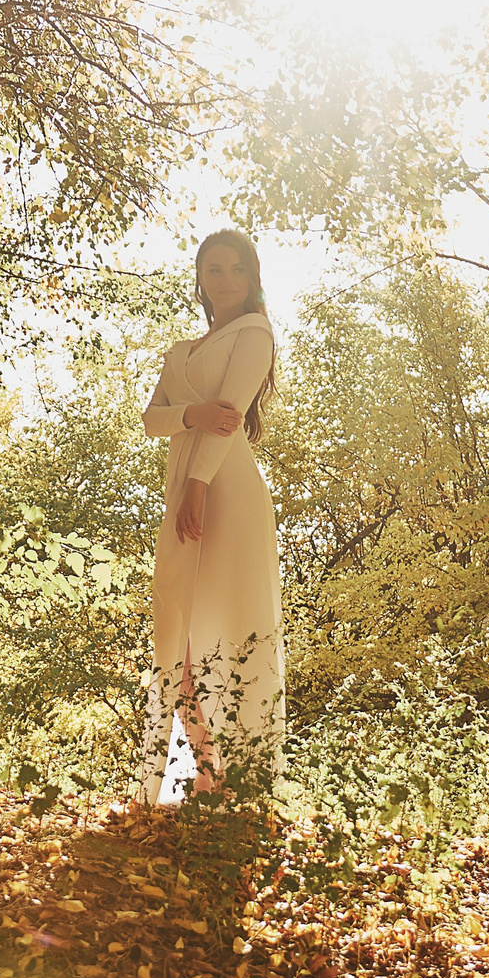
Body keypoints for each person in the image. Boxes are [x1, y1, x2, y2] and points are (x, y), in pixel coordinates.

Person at [138, 229, 285, 804]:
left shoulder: (256, 334)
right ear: (199, 277)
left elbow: (232, 419)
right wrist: (191, 412)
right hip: (184, 489)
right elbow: (153, 420)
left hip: (228, 490)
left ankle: (241, 781)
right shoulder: (180, 353)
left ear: (251, 279)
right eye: (214, 270)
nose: (225, 281)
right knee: (177, 635)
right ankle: (205, 773)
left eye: (236, 270)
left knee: (233, 627)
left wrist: (198, 486)